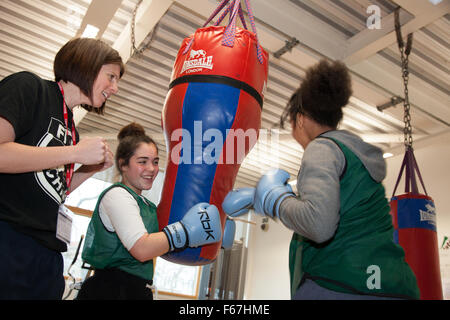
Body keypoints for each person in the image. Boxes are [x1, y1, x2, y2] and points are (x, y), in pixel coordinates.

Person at [222, 59, 420, 300]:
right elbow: (338, 213)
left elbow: (319, 226)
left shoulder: (321, 148)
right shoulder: (354, 156)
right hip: (393, 285)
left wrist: (276, 201)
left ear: (301, 119)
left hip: (342, 285)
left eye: (291, 122)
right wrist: (262, 199)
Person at [0, 37, 124, 300]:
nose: (114, 88)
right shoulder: (30, 87)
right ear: (87, 64)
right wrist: (75, 152)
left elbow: (55, 188)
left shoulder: (71, 128)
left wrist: (89, 169)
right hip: (10, 239)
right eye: (111, 77)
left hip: (46, 255)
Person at [76, 122, 222, 300]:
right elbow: (142, 248)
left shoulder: (147, 206)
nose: (152, 169)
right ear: (123, 164)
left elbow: (165, 243)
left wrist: (215, 224)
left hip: (136, 290)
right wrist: (187, 230)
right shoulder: (117, 195)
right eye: (142, 162)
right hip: (110, 289)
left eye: (155, 162)